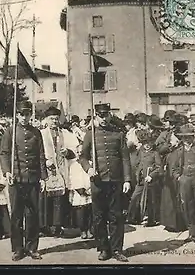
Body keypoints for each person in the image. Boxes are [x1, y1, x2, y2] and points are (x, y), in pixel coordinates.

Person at [79, 103, 131, 262]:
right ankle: (104, 248)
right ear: (96, 116)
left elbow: (125, 158)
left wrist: (127, 179)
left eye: (106, 115)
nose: (103, 119)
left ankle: (117, 250)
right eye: (100, 116)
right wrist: (88, 168)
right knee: (99, 217)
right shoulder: (90, 134)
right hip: (98, 181)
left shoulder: (118, 134)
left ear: (110, 116)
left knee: (116, 216)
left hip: (115, 180)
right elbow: (83, 157)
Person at [0, 100, 47, 261]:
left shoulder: (36, 132)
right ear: (17, 115)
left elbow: (41, 155)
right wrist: (6, 172)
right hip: (16, 179)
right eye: (22, 114)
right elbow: (4, 153)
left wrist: (43, 178)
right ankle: (18, 249)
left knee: (33, 215)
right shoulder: (10, 132)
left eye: (27, 114)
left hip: (33, 179)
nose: (25, 117)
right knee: (17, 215)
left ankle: (32, 247)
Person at [39, 106, 78, 237]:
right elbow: (36, 152)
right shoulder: (41, 134)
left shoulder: (65, 133)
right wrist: (45, 161)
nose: (54, 122)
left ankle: (57, 226)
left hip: (62, 170)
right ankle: (44, 226)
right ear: (46, 120)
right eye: (51, 119)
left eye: (56, 119)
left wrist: (67, 152)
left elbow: (75, 151)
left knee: (59, 200)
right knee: (45, 199)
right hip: (46, 170)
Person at [172, 124, 195, 243]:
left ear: (193, 137)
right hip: (185, 180)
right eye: (184, 137)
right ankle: (193, 233)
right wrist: (179, 177)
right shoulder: (178, 151)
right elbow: (174, 169)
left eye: (189, 137)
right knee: (188, 207)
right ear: (181, 138)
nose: (187, 140)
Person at [127, 131, 163, 227]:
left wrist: (151, 175)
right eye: (145, 143)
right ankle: (132, 218)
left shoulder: (155, 153)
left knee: (150, 200)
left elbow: (159, 167)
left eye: (149, 142)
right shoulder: (141, 152)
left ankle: (152, 220)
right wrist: (137, 172)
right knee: (135, 197)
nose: (147, 145)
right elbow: (138, 163)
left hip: (151, 180)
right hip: (141, 179)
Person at [66, 149, 93, 239]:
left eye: (81, 152)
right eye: (77, 152)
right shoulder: (73, 165)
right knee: (81, 212)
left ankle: (89, 229)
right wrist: (80, 190)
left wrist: (89, 189)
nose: (79, 154)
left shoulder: (90, 163)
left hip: (89, 191)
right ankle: (83, 230)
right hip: (79, 191)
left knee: (89, 211)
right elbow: (73, 178)